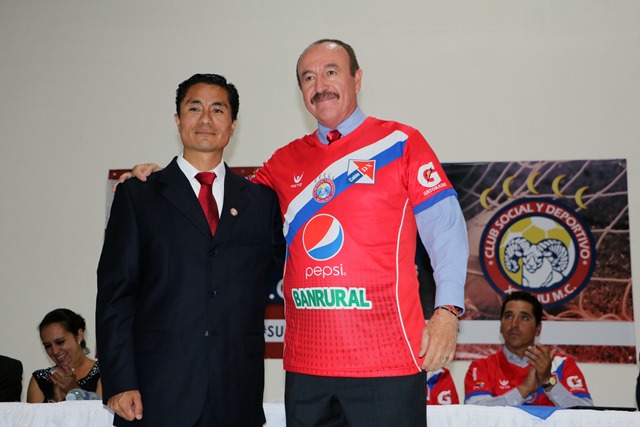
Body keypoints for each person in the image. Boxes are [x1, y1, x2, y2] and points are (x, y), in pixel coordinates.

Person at [123, 39, 468, 426]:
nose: (319, 84)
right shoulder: (282, 163)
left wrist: (447, 311)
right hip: (307, 372)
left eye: (331, 72)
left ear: (357, 78)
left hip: (386, 363)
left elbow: (446, 226)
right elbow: (216, 202)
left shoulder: (401, 142)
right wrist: (163, 180)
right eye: (308, 77)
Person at [97, 73, 285, 426]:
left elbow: (297, 274)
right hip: (155, 395)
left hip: (237, 393)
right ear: (178, 120)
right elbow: (115, 296)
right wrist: (120, 381)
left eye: (217, 110)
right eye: (194, 108)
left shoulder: (261, 203)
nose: (205, 119)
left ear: (232, 126)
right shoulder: (139, 195)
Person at [464, 291, 593, 407]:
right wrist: (523, 390)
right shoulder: (482, 367)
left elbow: (587, 413)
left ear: (538, 329)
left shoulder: (562, 364)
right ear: (500, 326)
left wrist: (548, 381)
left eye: (524, 317)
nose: (514, 324)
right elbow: (475, 414)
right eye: (508, 316)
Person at [26, 308, 101, 403]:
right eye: (47, 346)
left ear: (79, 335)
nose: (55, 351)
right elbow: (32, 417)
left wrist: (74, 390)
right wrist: (56, 399)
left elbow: (101, 415)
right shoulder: (40, 380)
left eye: (60, 342)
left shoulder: (104, 373)